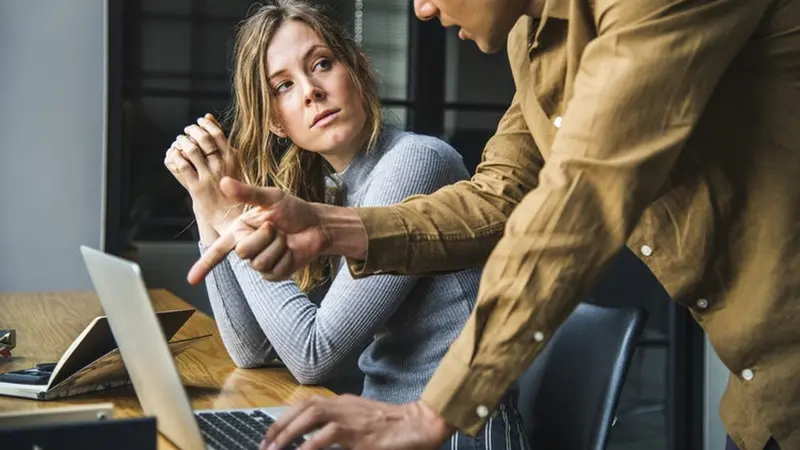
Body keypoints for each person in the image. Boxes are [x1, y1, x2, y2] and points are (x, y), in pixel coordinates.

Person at [189, 0, 800, 449]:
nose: (423, 9)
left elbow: (581, 198)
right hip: (760, 397)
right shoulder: (532, 43)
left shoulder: (648, 6)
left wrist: (435, 412)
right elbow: (497, 197)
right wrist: (330, 225)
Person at [164, 1, 530, 449]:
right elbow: (252, 351)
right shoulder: (333, 188)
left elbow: (311, 355)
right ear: (277, 123)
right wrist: (208, 206)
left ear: (360, 70)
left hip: (456, 435)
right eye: (283, 86)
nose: (310, 91)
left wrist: (232, 217)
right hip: (384, 431)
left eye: (321, 64)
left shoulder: (416, 162)